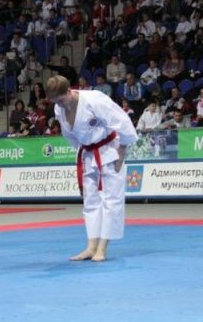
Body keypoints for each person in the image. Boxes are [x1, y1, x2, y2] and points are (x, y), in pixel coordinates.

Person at [46, 75, 138, 262]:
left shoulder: (94, 100)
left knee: (111, 199)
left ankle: (102, 248)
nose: (59, 105)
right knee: (90, 201)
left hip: (109, 150)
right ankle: (91, 247)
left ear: (69, 91)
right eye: (55, 102)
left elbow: (122, 121)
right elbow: (69, 135)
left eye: (61, 100)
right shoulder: (59, 107)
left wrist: (121, 151)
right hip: (88, 153)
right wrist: (82, 152)